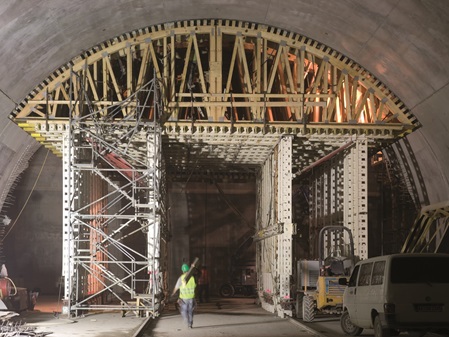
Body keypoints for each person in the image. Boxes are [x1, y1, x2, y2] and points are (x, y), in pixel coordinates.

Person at [172, 263, 197, 329]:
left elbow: (176, 287)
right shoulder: (192, 278)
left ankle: (186, 320)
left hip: (184, 298)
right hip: (191, 297)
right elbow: (195, 286)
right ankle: (190, 324)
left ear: (182, 271)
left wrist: (172, 294)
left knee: (184, 310)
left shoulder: (181, 278)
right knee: (190, 311)